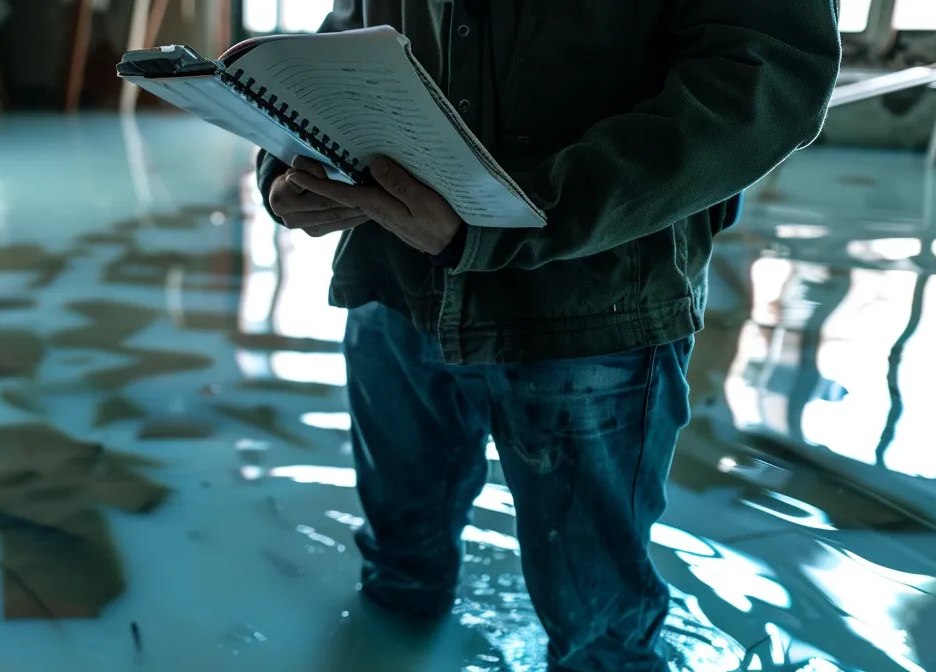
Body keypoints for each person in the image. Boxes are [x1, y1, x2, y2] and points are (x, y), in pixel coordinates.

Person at [257, 1, 841, 670]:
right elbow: (346, 39)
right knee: (398, 571)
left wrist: (527, 213)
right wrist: (289, 164)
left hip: (589, 306)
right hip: (394, 282)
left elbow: (768, 76)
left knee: (599, 629)